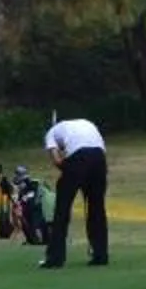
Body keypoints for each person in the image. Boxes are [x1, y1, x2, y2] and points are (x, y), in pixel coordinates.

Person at [41, 115, 107, 268]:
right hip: (99, 158)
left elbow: (57, 159)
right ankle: (100, 255)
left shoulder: (51, 133)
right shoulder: (86, 122)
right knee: (96, 208)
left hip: (79, 157)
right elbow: (100, 149)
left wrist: (69, 170)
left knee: (62, 209)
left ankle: (55, 258)